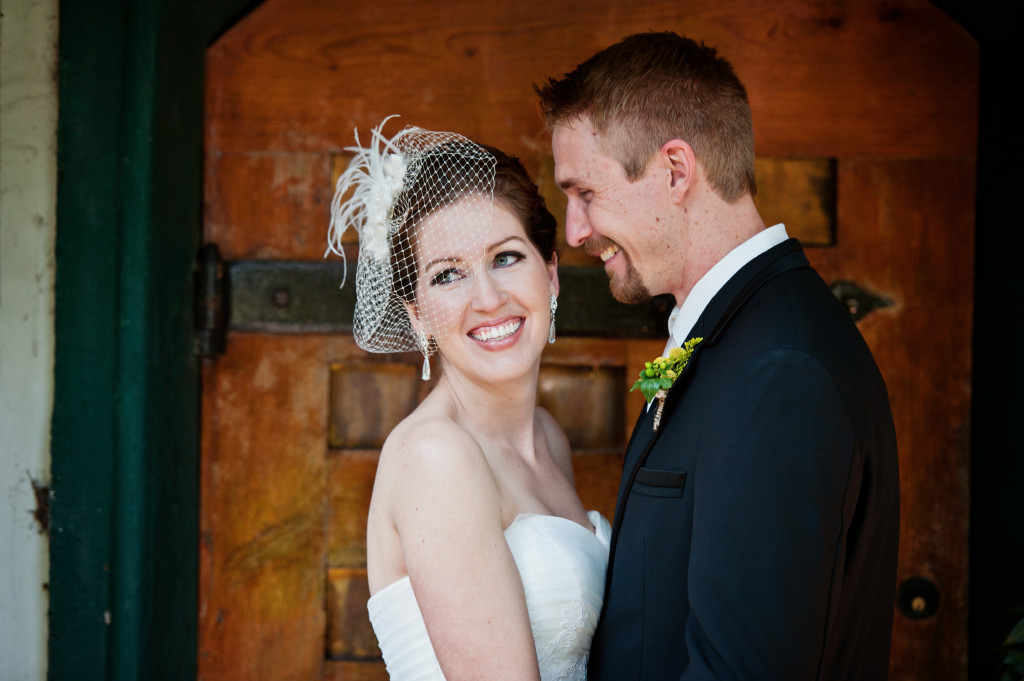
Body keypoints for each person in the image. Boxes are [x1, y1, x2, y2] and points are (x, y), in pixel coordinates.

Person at [536, 32, 900, 680]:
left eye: (584, 193)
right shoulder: (729, 330)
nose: (575, 231)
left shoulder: (777, 372)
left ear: (676, 170)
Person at [326, 119, 611, 681]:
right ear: (417, 316)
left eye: (506, 257)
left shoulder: (548, 437)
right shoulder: (436, 456)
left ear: (550, 273)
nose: (487, 298)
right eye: (448, 275)